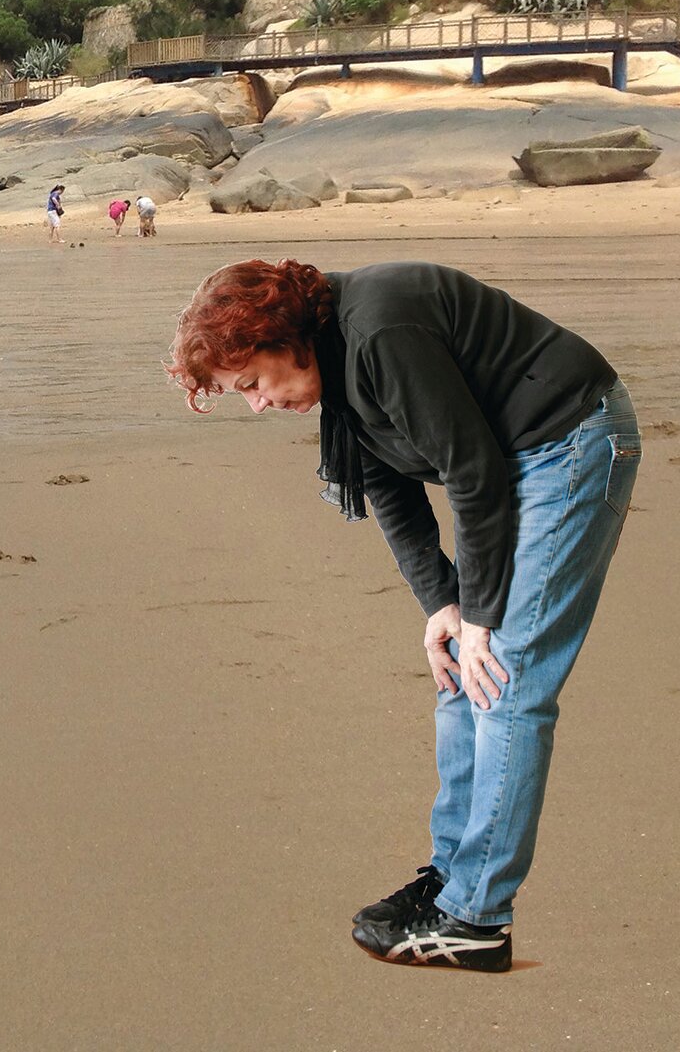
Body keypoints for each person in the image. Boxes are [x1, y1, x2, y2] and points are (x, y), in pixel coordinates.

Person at [168, 259, 639, 973]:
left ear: (281, 335)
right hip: (513, 456)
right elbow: (390, 487)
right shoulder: (338, 373)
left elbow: (472, 470)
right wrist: (446, 607)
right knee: (460, 669)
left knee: (506, 680)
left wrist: (482, 612)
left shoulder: (379, 331)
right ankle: (450, 877)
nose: (258, 405)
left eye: (254, 385)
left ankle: (477, 918)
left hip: (569, 441)